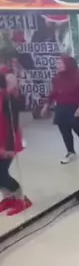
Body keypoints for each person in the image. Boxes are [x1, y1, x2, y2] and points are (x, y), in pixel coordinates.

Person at [44, 56, 79, 164]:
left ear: (68, 64)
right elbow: (54, 93)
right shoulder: (57, 78)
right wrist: (47, 104)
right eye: (57, 63)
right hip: (61, 108)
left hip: (74, 107)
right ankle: (70, 152)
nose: (58, 66)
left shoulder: (77, 77)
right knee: (65, 131)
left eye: (60, 63)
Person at [0, 73, 31, 216]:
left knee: (2, 174)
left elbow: (12, 125)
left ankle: (21, 199)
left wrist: (8, 148)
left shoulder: (8, 99)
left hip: (7, 143)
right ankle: (8, 197)